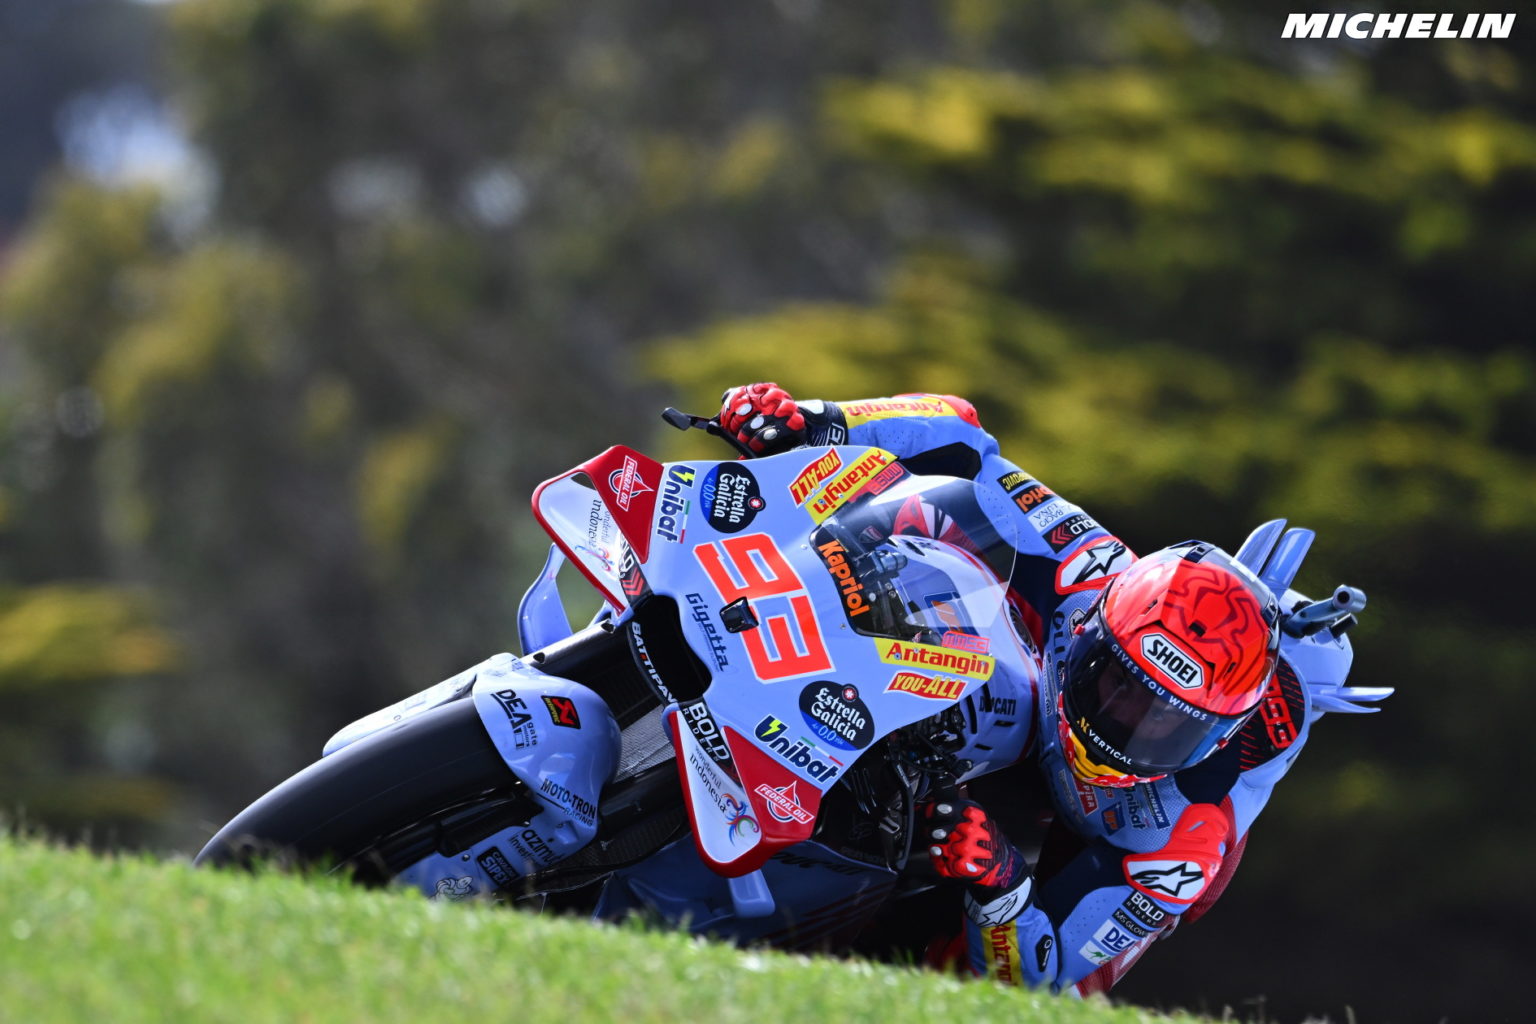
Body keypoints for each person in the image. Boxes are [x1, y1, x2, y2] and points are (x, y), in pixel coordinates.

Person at [714, 382, 1388, 995]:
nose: (1119, 721)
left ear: (1214, 737)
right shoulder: (1090, 567)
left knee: (995, 986)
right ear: (1098, 625)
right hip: (1025, 694)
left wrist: (1002, 883)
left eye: (1163, 723)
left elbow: (1053, 977)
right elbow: (963, 439)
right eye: (1117, 682)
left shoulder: (1187, 835)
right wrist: (819, 421)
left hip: (1098, 835)